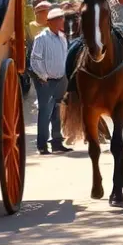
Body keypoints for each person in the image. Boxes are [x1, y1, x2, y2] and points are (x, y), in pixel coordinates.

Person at [29, 8, 71, 155]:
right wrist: (43, 76)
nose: (62, 21)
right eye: (58, 19)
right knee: (45, 112)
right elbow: (35, 60)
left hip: (61, 79)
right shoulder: (41, 38)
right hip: (46, 81)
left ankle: (57, 143)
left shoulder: (62, 37)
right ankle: (42, 145)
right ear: (50, 22)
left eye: (62, 18)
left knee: (57, 112)